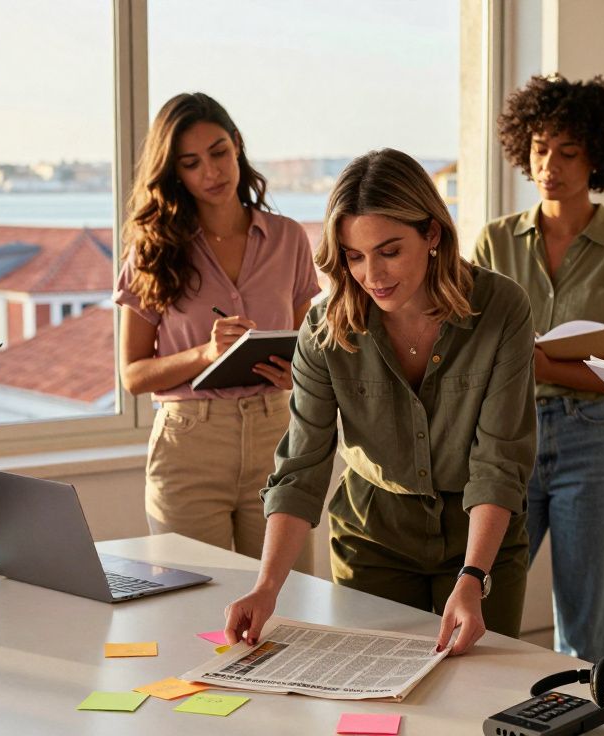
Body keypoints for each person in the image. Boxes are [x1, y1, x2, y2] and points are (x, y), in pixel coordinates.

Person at [223, 148, 536, 655]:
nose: (373, 274)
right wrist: (267, 587)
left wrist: (473, 575)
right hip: (372, 543)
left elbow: (499, 460)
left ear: (432, 234)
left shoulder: (501, 308)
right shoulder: (326, 329)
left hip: (481, 544)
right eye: (354, 256)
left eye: (389, 251)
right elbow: (301, 466)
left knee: (482, 694)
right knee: (375, 695)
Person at [473, 73, 604, 663]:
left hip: (593, 441)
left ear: (598, 156)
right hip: (506, 437)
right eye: (540, 148)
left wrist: (532, 358)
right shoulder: (493, 243)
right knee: (482, 604)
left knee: (585, 633)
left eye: (568, 151)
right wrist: (552, 362)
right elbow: (473, 349)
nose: (550, 164)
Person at [114, 92, 320, 563]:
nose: (211, 172)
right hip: (189, 445)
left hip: (276, 434)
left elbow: (308, 347)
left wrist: (299, 374)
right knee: (189, 603)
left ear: (238, 146)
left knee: (287, 601)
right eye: (191, 162)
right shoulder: (152, 252)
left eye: (219, 153)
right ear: (174, 173)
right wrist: (205, 355)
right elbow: (132, 376)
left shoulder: (287, 238)